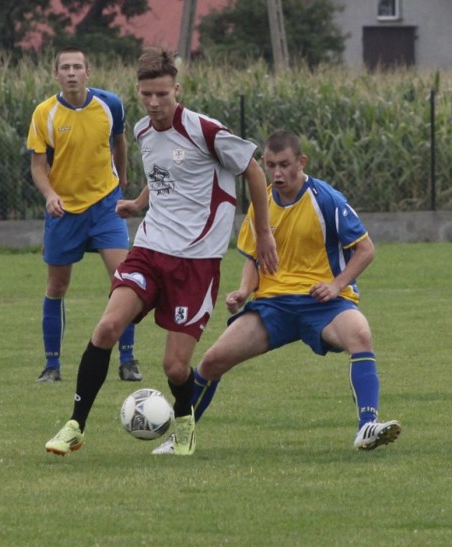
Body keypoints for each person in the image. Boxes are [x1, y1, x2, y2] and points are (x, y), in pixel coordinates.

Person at [44, 47, 278, 456]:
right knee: (105, 329)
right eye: (147, 95)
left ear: (176, 90)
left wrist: (263, 232)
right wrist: (138, 202)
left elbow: (254, 169)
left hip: (196, 262)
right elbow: (165, 176)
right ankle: (74, 426)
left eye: (162, 95)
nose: (154, 104)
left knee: (174, 366)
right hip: (149, 250)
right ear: (138, 91)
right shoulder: (141, 131)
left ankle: (184, 423)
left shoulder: (205, 131)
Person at [152, 129, 401, 455]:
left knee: (360, 336)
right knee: (212, 361)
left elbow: (366, 249)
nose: (277, 173)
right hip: (274, 306)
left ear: (301, 162)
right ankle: (182, 438)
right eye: (270, 165)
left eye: (284, 165)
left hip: (321, 303)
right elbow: (255, 258)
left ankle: (367, 426)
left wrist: (337, 285)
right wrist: (243, 291)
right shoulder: (263, 203)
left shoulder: (327, 200)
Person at [27, 46, 142, 384]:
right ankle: (52, 366)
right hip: (65, 211)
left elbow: (119, 143)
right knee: (57, 285)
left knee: (125, 281)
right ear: (56, 75)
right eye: (66, 67)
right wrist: (50, 195)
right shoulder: (44, 113)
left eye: (78, 66)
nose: (72, 72)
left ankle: (128, 360)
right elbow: (37, 166)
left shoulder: (110, 105)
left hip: (105, 206)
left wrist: (121, 181)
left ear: (88, 72)